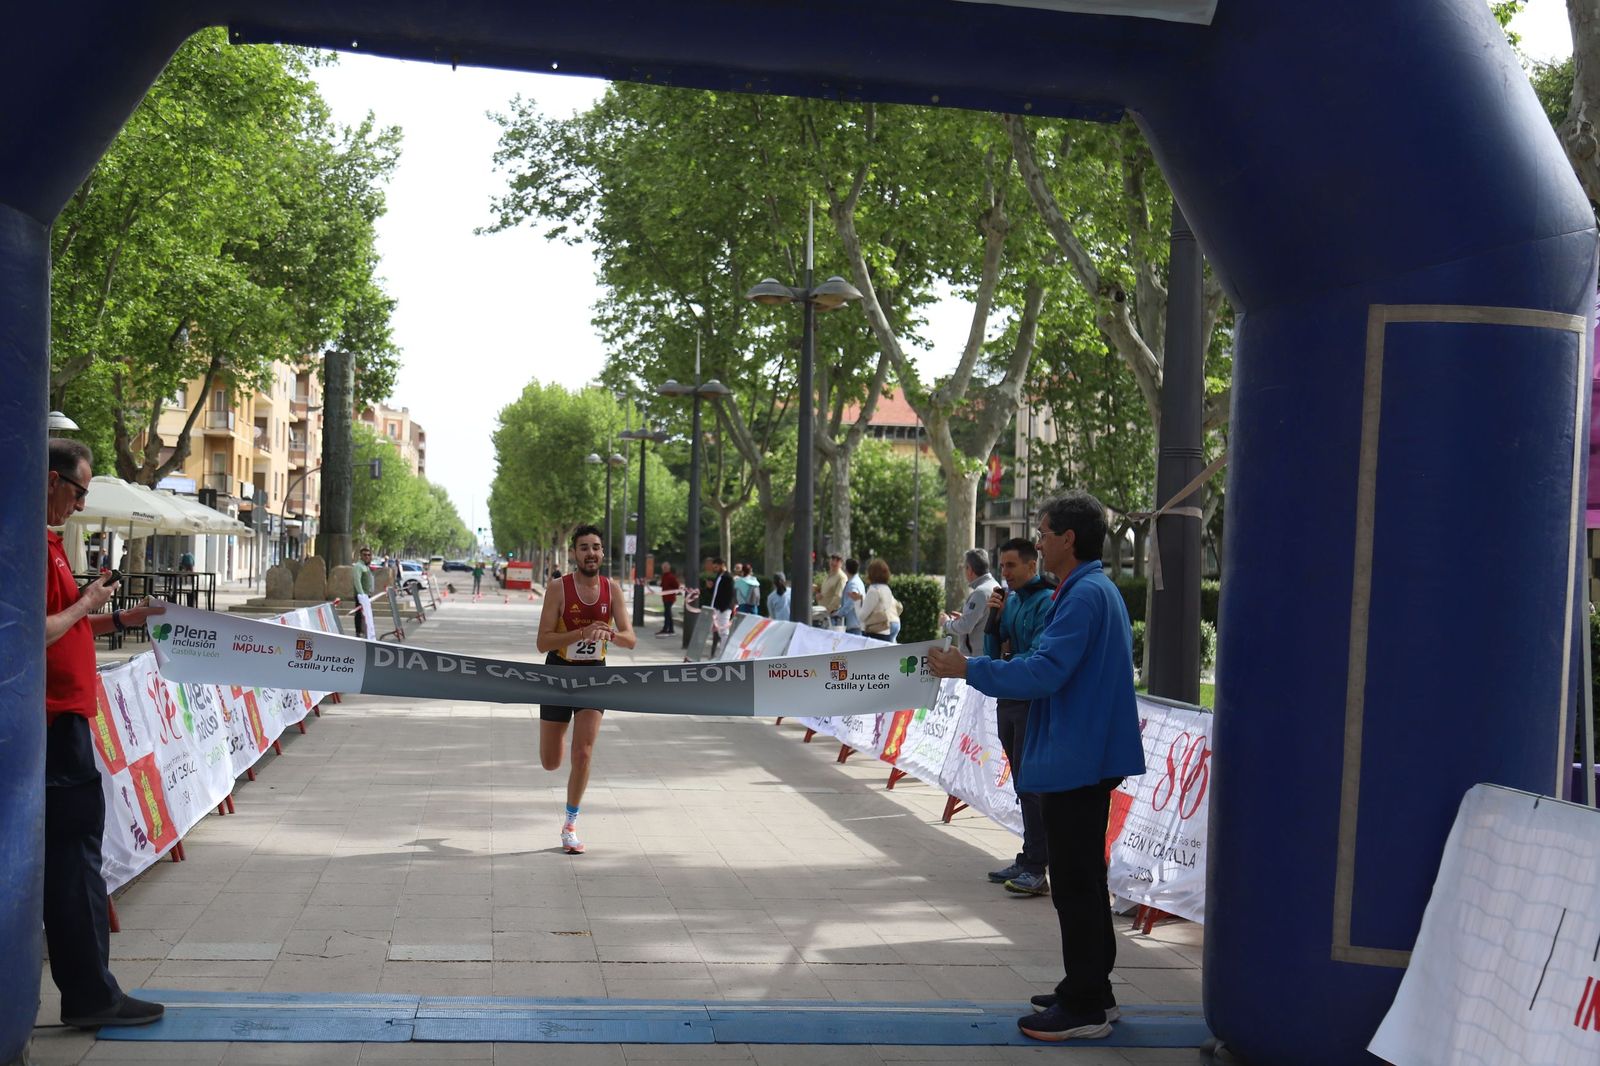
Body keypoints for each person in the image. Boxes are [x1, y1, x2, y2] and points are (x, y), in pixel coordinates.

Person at [928, 492, 1144, 1043]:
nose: (1039, 541)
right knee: (1084, 881)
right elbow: (1043, 663)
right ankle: (1092, 988)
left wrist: (967, 668)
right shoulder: (1089, 590)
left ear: (1068, 539)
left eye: (1044, 532)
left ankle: (1085, 1005)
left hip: (1078, 757)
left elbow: (1045, 672)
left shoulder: (1083, 595)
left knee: (1075, 883)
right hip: (1083, 754)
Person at [43, 438, 166, 1029]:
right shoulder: (32, 546)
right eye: (78, 490)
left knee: (74, 859)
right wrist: (87, 601)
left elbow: (66, 622)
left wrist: (120, 617)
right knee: (74, 863)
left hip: (65, 716)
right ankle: (92, 995)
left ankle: (92, 990)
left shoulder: (49, 543)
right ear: (50, 480)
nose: (80, 503)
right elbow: (34, 630)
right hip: (54, 722)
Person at [535, 525, 637, 854]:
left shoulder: (613, 589)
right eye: (583, 548)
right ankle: (560, 732)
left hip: (594, 675)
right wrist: (580, 633)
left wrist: (610, 635)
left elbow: (630, 639)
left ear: (603, 553)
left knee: (584, 754)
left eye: (596, 547)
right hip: (558, 675)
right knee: (551, 761)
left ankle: (570, 825)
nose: (590, 553)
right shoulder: (558, 588)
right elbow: (542, 642)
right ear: (574, 554)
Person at [981, 537, 1058, 897]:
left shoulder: (1046, 601)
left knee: (1031, 786)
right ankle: (1029, 857)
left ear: (1032, 566)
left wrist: (1011, 659)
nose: (1005, 573)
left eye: (1012, 566)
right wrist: (993, 622)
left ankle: (1036, 866)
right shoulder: (1010, 603)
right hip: (1007, 701)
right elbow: (995, 655)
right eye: (1003, 566)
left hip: (1030, 704)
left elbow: (1038, 657)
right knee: (1021, 784)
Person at [942, 548, 999, 655]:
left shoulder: (980, 592)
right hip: (987, 654)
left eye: (965, 568)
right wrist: (964, 617)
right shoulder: (994, 585)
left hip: (976, 659)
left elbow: (965, 626)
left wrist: (946, 623)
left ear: (970, 569)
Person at [859, 558, 902, 641]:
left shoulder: (873, 590)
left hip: (882, 626)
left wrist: (857, 603)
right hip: (895, 622)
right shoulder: (886, 588)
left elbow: (862, 616)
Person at [352, 547, 377, 638]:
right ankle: (358, 631)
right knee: (359, 613)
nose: (367, 556)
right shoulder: (358, 566)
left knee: (366, 613)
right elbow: (357, 581)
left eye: (369, 555)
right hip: (361, 595)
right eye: (365, 555)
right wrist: (361, 594)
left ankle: (365, 630)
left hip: (367, 594)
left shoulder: (366, 566)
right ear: (361, 556)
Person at [837, 558, 865, 634]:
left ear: (846, 569)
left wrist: (839, 613)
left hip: (853, 625)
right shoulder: (859, 581)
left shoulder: (853, 583)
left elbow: (852, 601)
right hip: (857, 624)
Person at [816, 553, 846, 624]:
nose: (834, 563)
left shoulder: (841, 577)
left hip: (832, 616)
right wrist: (818, 595)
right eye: (832, 559)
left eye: (837, 560)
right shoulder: (829, 575)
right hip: (823, 615)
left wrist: (827, 611)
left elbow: (838, 597)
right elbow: (826, 593)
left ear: (841, 563)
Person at [657, 561, 681, 636]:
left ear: (668, 568)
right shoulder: (664, 576)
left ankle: (666, 629)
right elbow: (663, 585)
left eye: (665, 568)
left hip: (669, 598)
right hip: (665, 597)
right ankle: (671, 629)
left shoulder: (671, 576)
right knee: (668, 613)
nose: (664, 569)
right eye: (663, 568)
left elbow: (676, 585)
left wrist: (672, 591)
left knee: (667, 613)